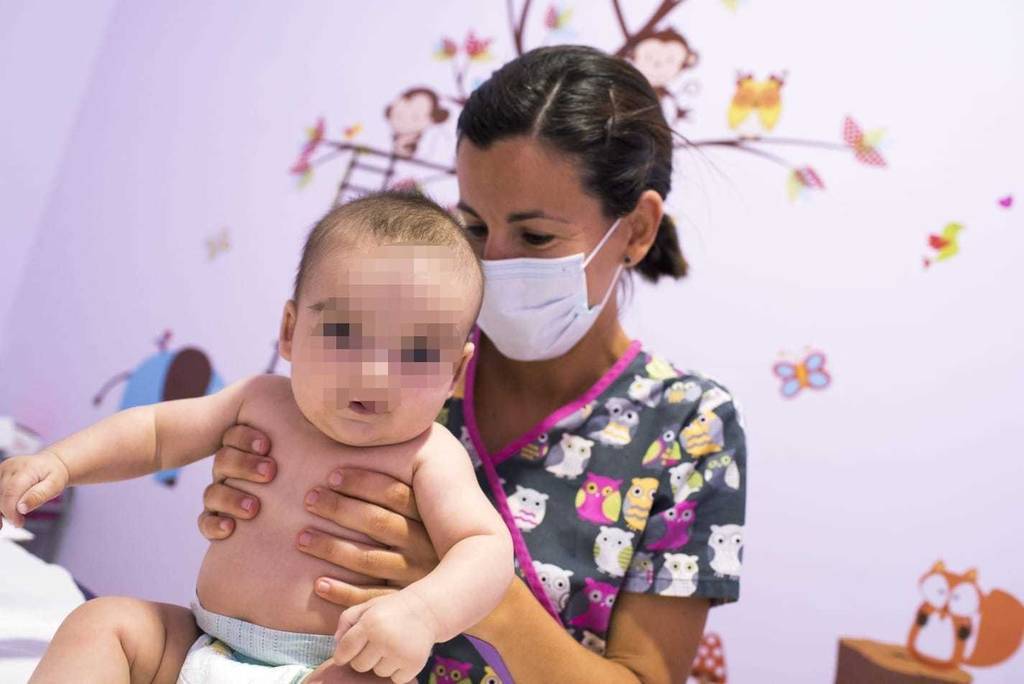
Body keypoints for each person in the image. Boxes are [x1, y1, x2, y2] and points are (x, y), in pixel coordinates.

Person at [201, 45, 748, 683]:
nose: (493, 263)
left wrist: (474, 589)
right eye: (474, 227)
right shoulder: (404, 367)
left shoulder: (688, 426)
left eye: (535, 236)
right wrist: (256, 486)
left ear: (637, 230)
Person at [0, 191, 513, 683]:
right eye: (344, 333)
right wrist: (61, 463)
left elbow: (485, 547)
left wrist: (422, 612)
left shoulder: (430, 455)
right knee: (102, 623)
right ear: (289, 330)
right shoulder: (258, 401)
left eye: (417, 352)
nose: (374, 374)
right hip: (202, 642)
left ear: (454, 372)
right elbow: (156, 434)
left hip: (331, 665)